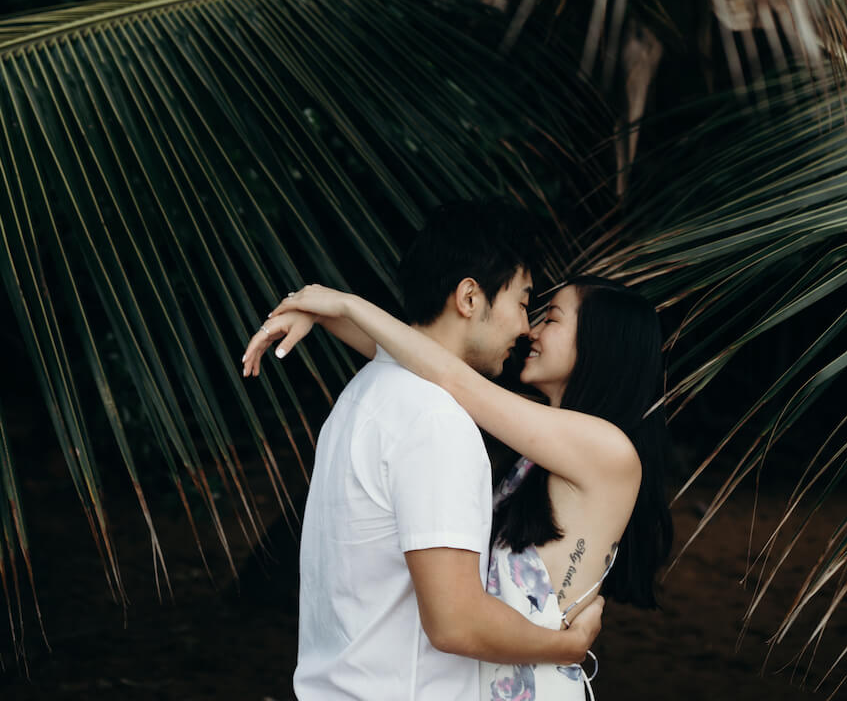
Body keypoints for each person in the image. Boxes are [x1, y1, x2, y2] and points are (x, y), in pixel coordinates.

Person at [245, 266, 672, 701]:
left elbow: (450, 376)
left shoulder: (609, 450)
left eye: (552, 318)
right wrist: (322, 314)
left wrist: (344, 304)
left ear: (602, 342)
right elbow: (418, 361)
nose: (531, 331)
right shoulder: (542, 440)